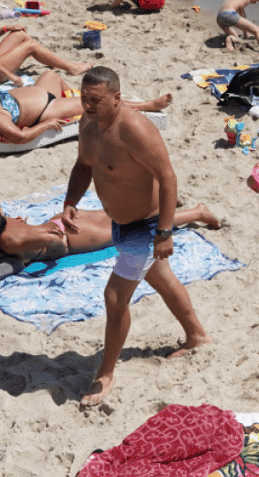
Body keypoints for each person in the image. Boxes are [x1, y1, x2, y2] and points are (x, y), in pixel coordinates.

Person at [65, 66, 213, 405]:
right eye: (84, 98)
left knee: (114, 299)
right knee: (161, 278)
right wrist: (71, 201)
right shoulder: (87, 123)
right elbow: (84, 165)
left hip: (146, 227)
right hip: (120, 224)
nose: (87, 105)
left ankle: (105, 374)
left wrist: (164, 231)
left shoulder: (134, 128)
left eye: (96, 100)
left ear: (117, 98)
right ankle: (197, 335)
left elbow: (168, 177)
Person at [0, 185, 219, 263]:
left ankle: (197, 212)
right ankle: (164, 202)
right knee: (121, 214)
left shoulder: (7, 241)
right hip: (65, 219)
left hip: (73, 236)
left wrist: (54, 248)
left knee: (137, 229)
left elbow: (52, 240)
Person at [0, 70, 172, 144]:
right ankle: (147, 105)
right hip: (47, 109)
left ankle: (75, 104)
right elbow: (21, 137)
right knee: (93, 102)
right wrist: (46, 125)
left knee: (51, 75)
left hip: (42, 94)